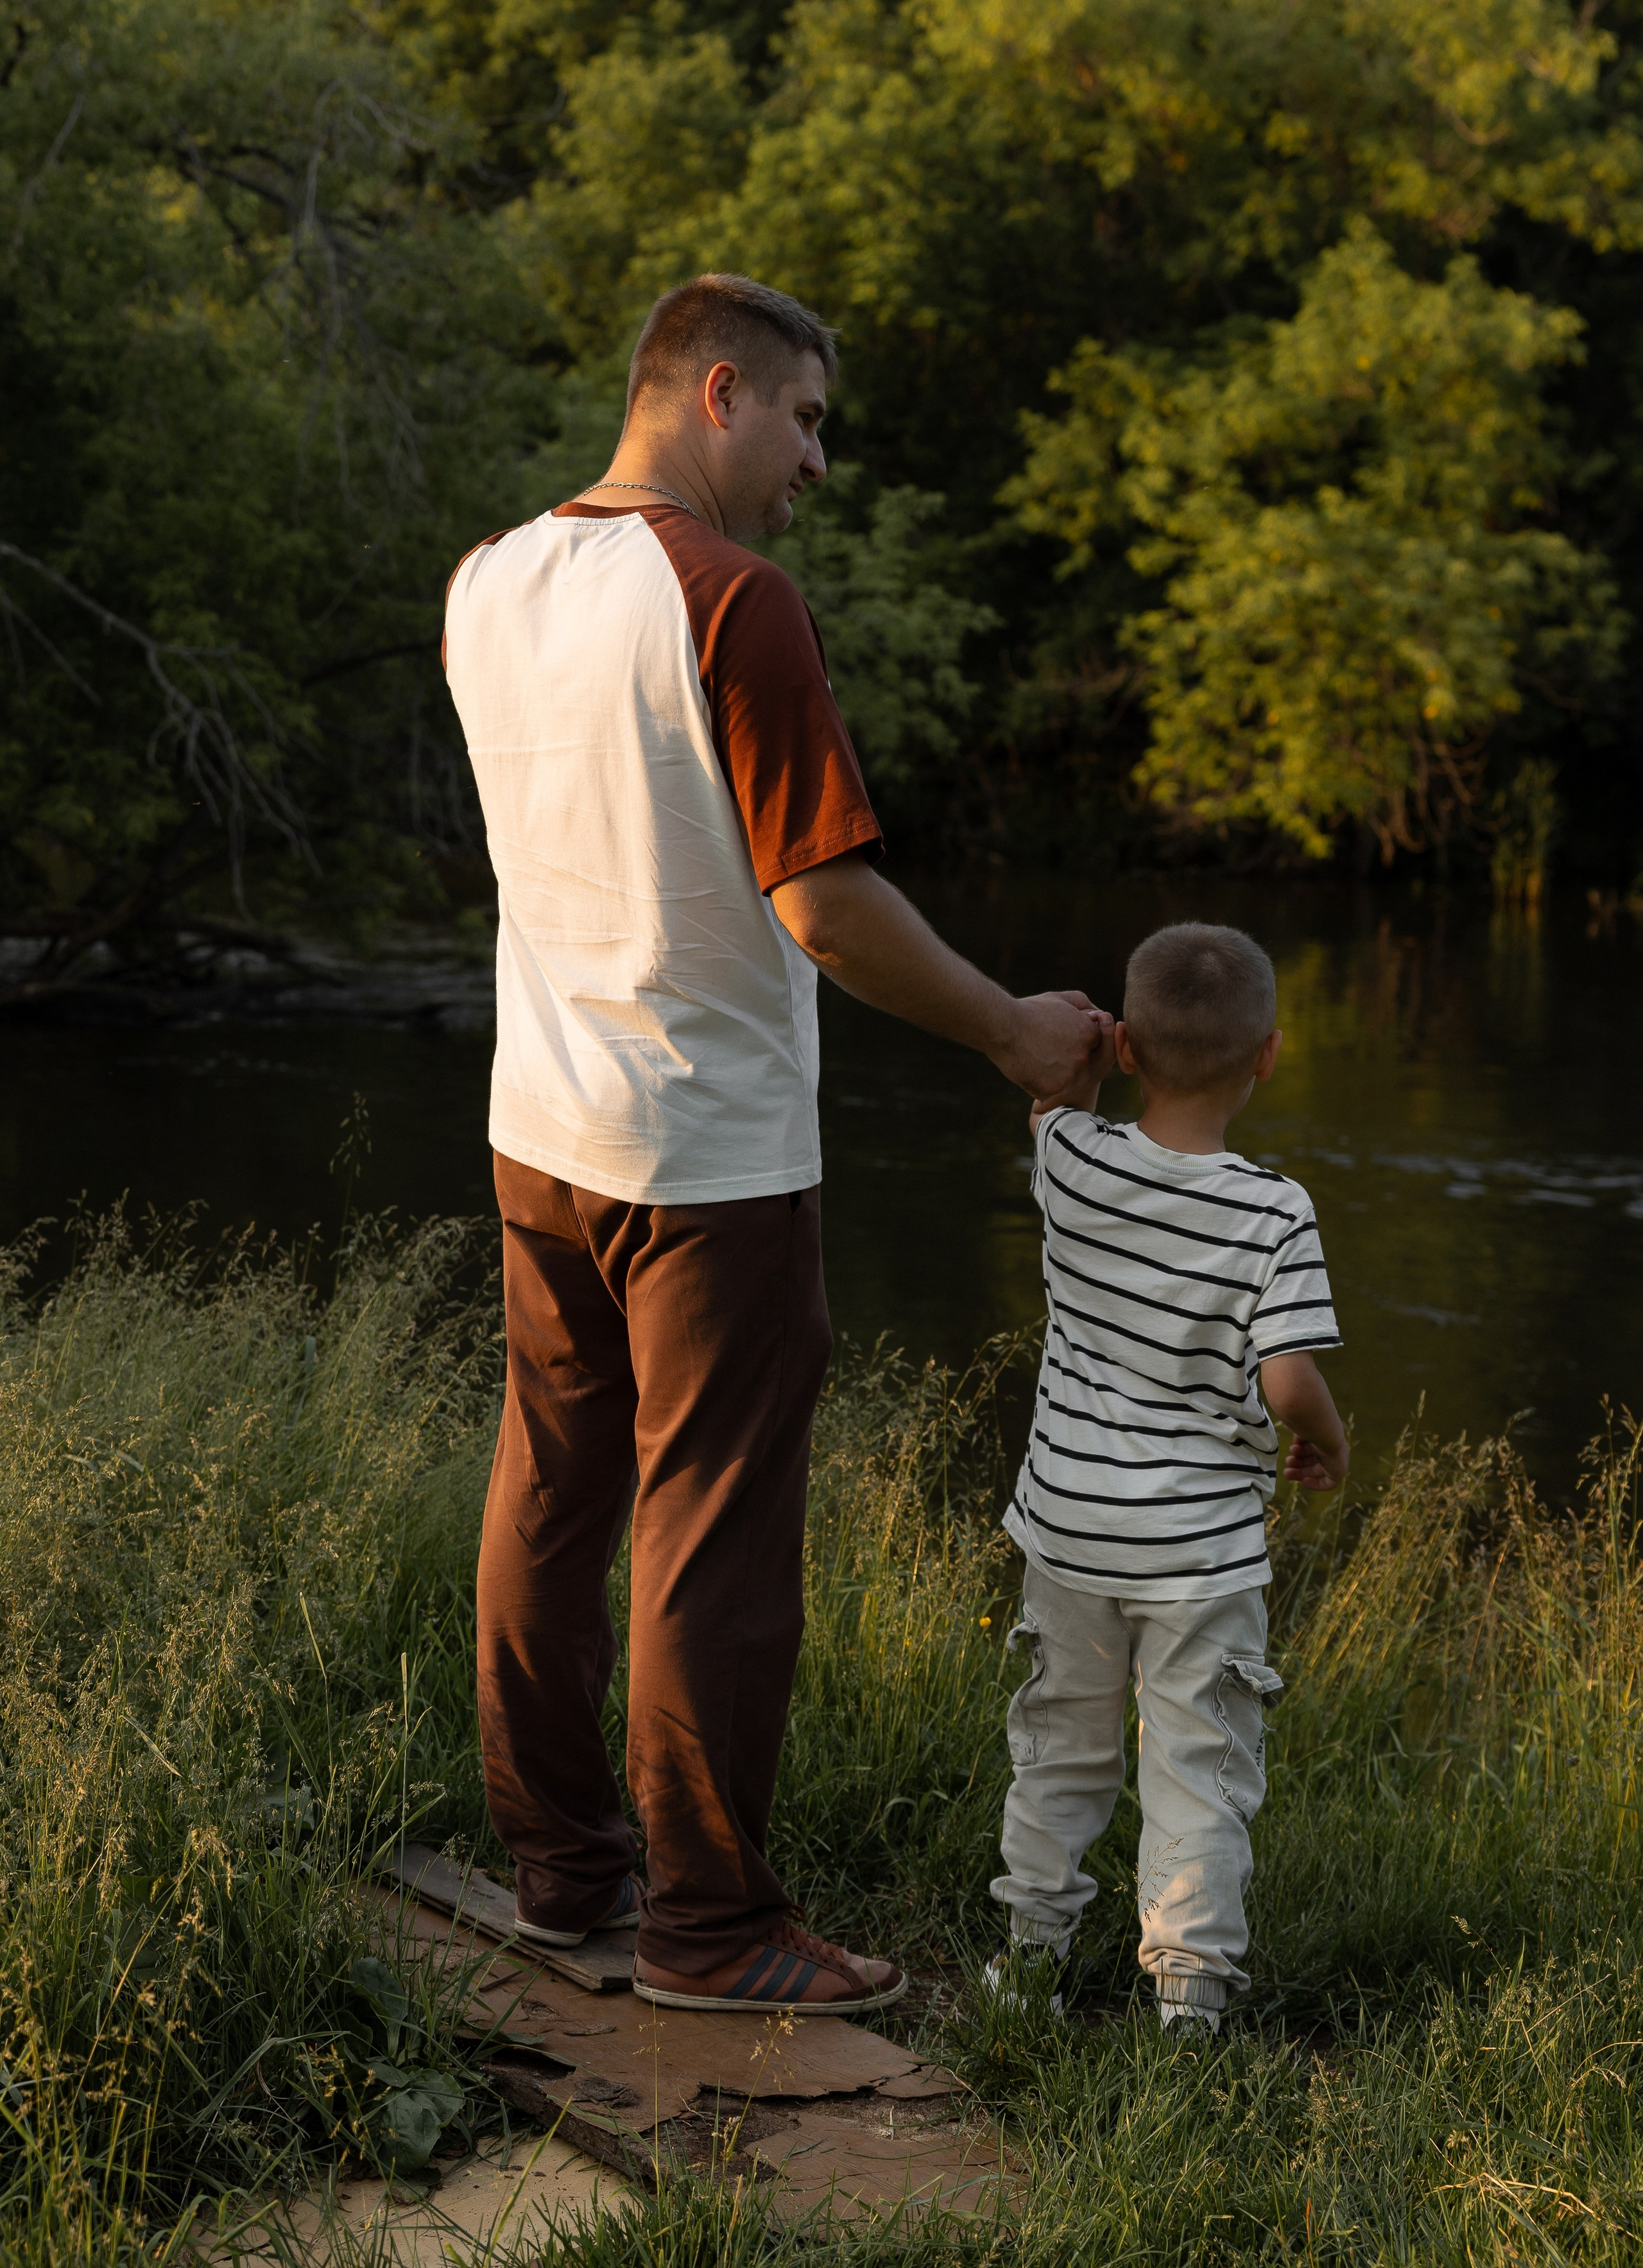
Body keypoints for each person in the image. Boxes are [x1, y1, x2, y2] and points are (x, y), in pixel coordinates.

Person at [442, 271, 1106, 2017]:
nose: (818, 461)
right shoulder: (733, 597)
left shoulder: (487, 580)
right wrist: (1012, 1030)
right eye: (805, 419)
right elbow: (824, 902)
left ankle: (563, 1872)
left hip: (540, 1129)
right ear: (715, 392)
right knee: (715, 1534)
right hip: (706, 1153)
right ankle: (712, 1927)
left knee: (549, 1491)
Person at [987, 921, 1348, 2033]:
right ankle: (1188, 2000)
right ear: (1268, 1056)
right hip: (1199, 1554)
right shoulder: (1275, 1211)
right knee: (1198, 1764)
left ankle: (1031, 1962)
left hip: (1070, 1527)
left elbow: (1051, 1100)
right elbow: (1288, 1379)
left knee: (1060, 1748)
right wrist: (1328, 1439)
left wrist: (1088, 1058)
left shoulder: (1073, 1162)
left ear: (1131, 1047)